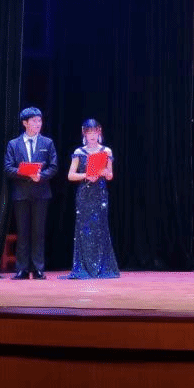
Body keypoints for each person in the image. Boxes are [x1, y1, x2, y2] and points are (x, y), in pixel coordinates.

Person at [3, 107, 59, 279]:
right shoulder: (13, 144)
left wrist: (41, 176)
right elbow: (8, 168)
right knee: (23, 231)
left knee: (38, 232)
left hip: (41, 192)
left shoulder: (47, 143)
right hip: (21, 193)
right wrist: (26, 173)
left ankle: (38, 268)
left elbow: (53, 167)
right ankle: (22, 268)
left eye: (39, 120)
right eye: (34, 121)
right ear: (25, 123)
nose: (38, 124)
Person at [65, 118, 119, 279]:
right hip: (84, 194)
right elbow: (70, 175)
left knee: (101, 229)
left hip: (100, 194)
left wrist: (104, 173)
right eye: (89, 132)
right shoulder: (79, 152)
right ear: (84, 134)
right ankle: (83, 266)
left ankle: (102, 266)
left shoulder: (106, 151)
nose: (92, 135)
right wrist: (86, 175)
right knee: (84, 230)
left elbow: (110, 175)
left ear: (99, 132)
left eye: (95, 132)